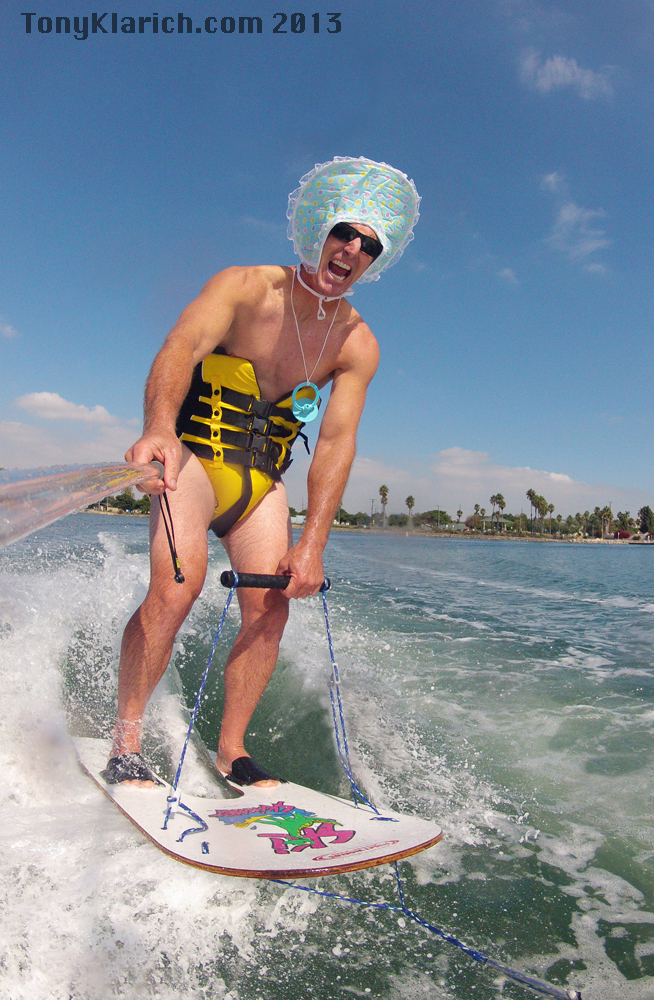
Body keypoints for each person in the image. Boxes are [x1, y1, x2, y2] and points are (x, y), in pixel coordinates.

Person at [103, 157, 420, 788]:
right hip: (192, 459)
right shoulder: (246, 287)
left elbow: (335, 443)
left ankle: (232, 751)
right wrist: (159, 428)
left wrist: (314, 543)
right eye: (345, 233)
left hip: (260, 483)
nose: (353, 248)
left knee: (272, 607)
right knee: (177, 589)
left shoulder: (357, 344)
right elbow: (181, 348)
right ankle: (127, 739)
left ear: (373, 262)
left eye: (370, 244)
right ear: (322, 235)